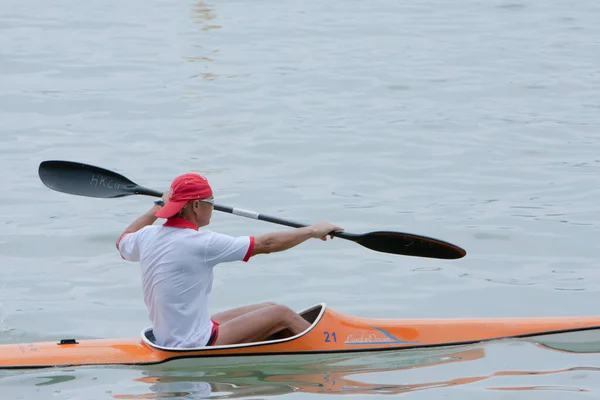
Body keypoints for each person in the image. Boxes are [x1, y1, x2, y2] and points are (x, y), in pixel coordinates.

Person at [116, 172, 342, 349]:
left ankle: (289, 348)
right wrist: (312, 231)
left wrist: (157, 206)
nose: (213, 207)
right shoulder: (200, 243)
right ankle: (333, 351)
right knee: (281, 313)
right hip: (193, 343)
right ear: (195, 206)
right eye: (210, 201)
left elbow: (122, 242)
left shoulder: (146, 235)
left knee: (269, 308)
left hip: (168, 335)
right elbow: (267, 244)